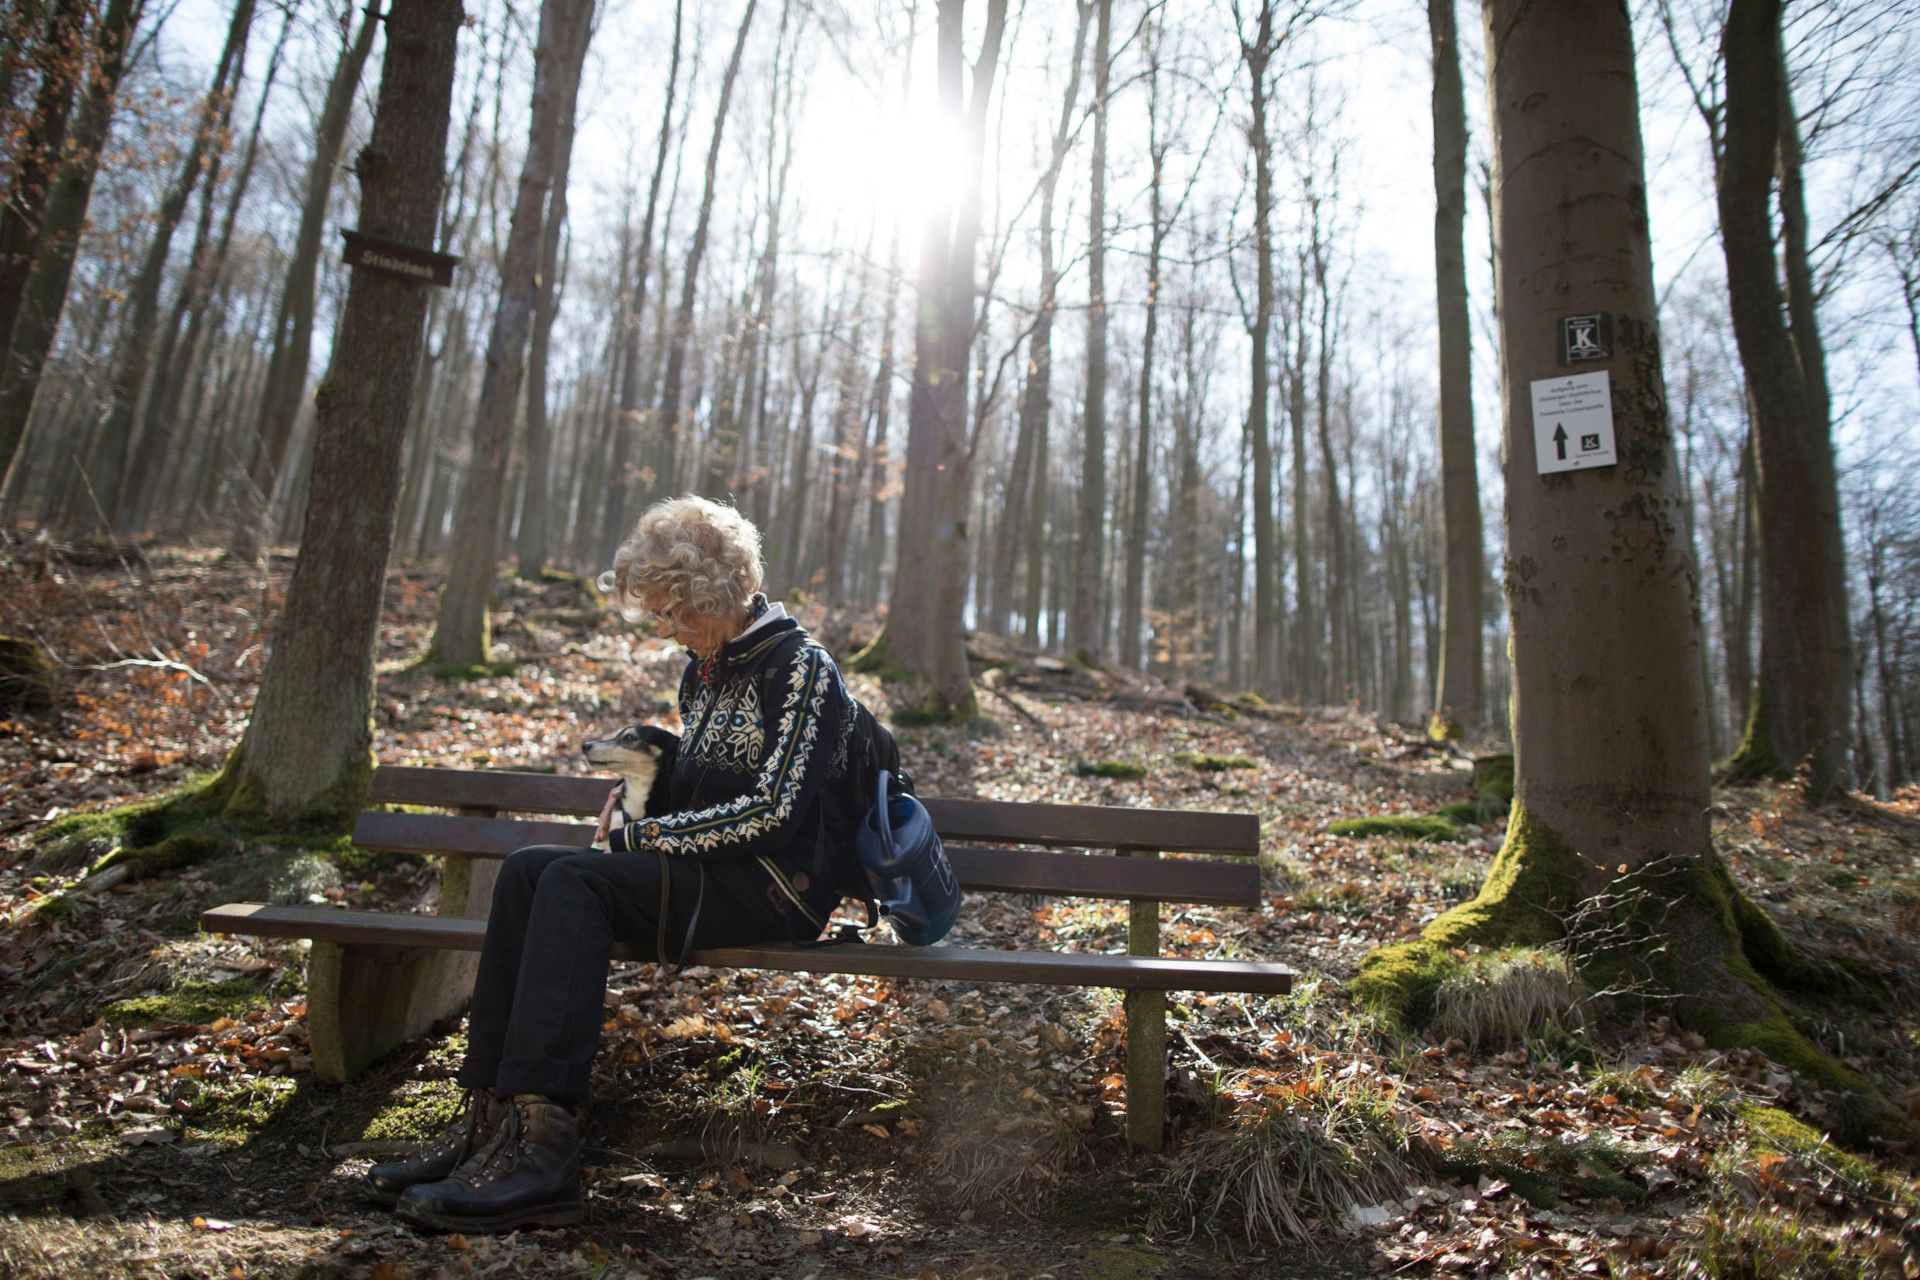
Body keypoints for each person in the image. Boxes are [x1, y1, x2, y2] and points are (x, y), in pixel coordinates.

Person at [369, 495, 864, 1233]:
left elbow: (770, 813)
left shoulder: (800, 670)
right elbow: (698, 793)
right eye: (660, 615)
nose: (668, 631)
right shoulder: (702, 672)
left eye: (677, 613)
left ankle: (546, 1153)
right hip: (708, 876)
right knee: (530, 869)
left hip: (773, 890)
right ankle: (488, 1121)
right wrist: (637, 802)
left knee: (573, 877)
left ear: (719, 594)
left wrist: (635, 844)